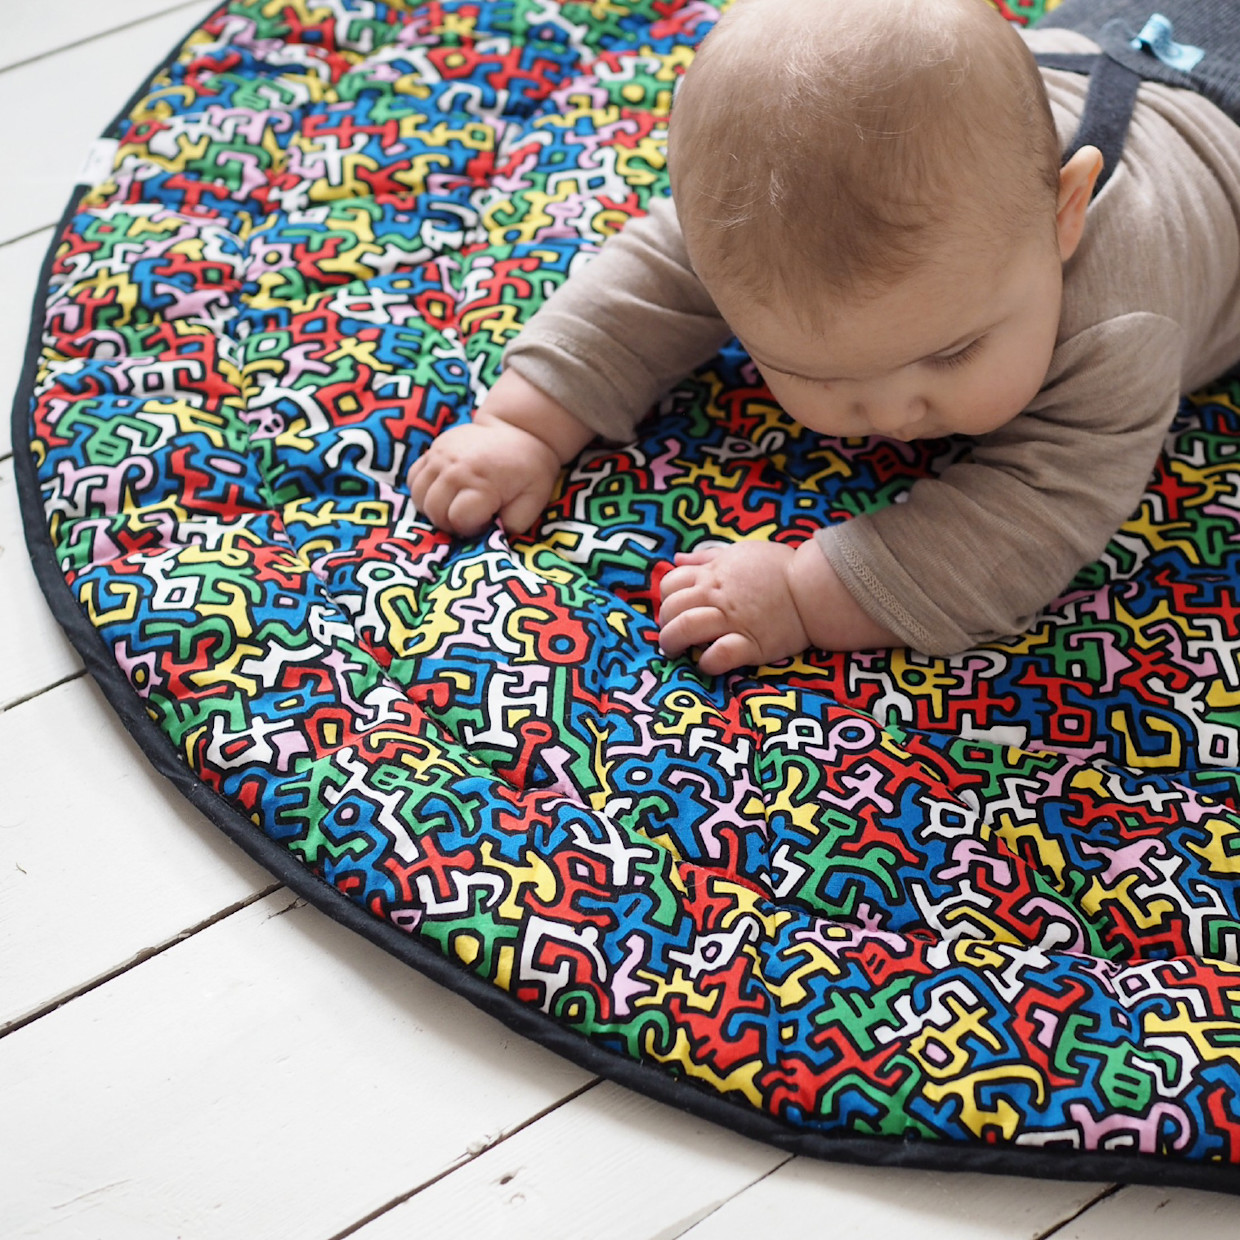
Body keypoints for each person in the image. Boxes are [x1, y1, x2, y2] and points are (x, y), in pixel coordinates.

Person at [406, 0, 1240, 674]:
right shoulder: (761, 229)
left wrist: (810, 594)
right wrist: (525, 421)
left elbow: (1036, 516)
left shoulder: (1120, 322)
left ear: (1063, 214)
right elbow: (649, 280)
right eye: (812, 370)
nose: (895, 411)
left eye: (953, 353)